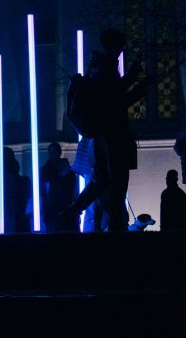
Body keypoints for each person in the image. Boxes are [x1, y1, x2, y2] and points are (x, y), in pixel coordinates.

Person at [57, 28, 151, 232]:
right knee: (117, 185)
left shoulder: (97, 66)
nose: (122, 49)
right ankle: (115, 228)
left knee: (101, 181)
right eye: (121, 45)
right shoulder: (107, 66)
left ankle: (74, 211)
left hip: (101, 134)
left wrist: (134, 78)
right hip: (114, 135)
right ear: (116, 44)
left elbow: (113, 95)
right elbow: (116, 100)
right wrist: (140, 85)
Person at [40, 142, 77, 232]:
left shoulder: (46, 170)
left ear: (59, 153)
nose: (52, 155)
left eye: (54, 152)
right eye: (50, 152)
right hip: (53, 208)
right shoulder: (46, 170)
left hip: (61, 208)